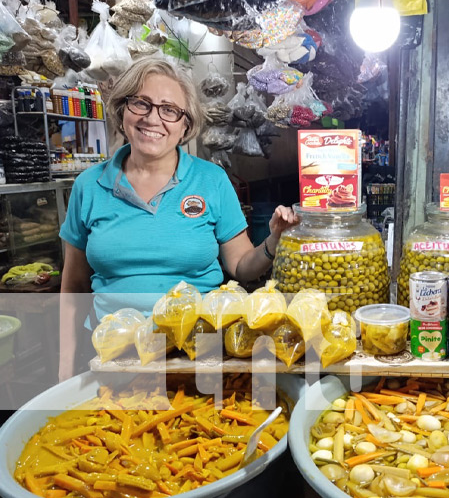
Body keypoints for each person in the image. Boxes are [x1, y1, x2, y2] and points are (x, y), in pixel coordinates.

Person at [58, 58, 297, 381]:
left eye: (169, 109)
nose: (152, 118)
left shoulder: (211, 180)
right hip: (114, 355)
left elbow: (241, 266)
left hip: (197, 355)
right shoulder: (89, 185)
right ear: (122, 110)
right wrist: (65, 369)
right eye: (141, 103)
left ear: (186, 124)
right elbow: (73, 289)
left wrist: (273, 239)